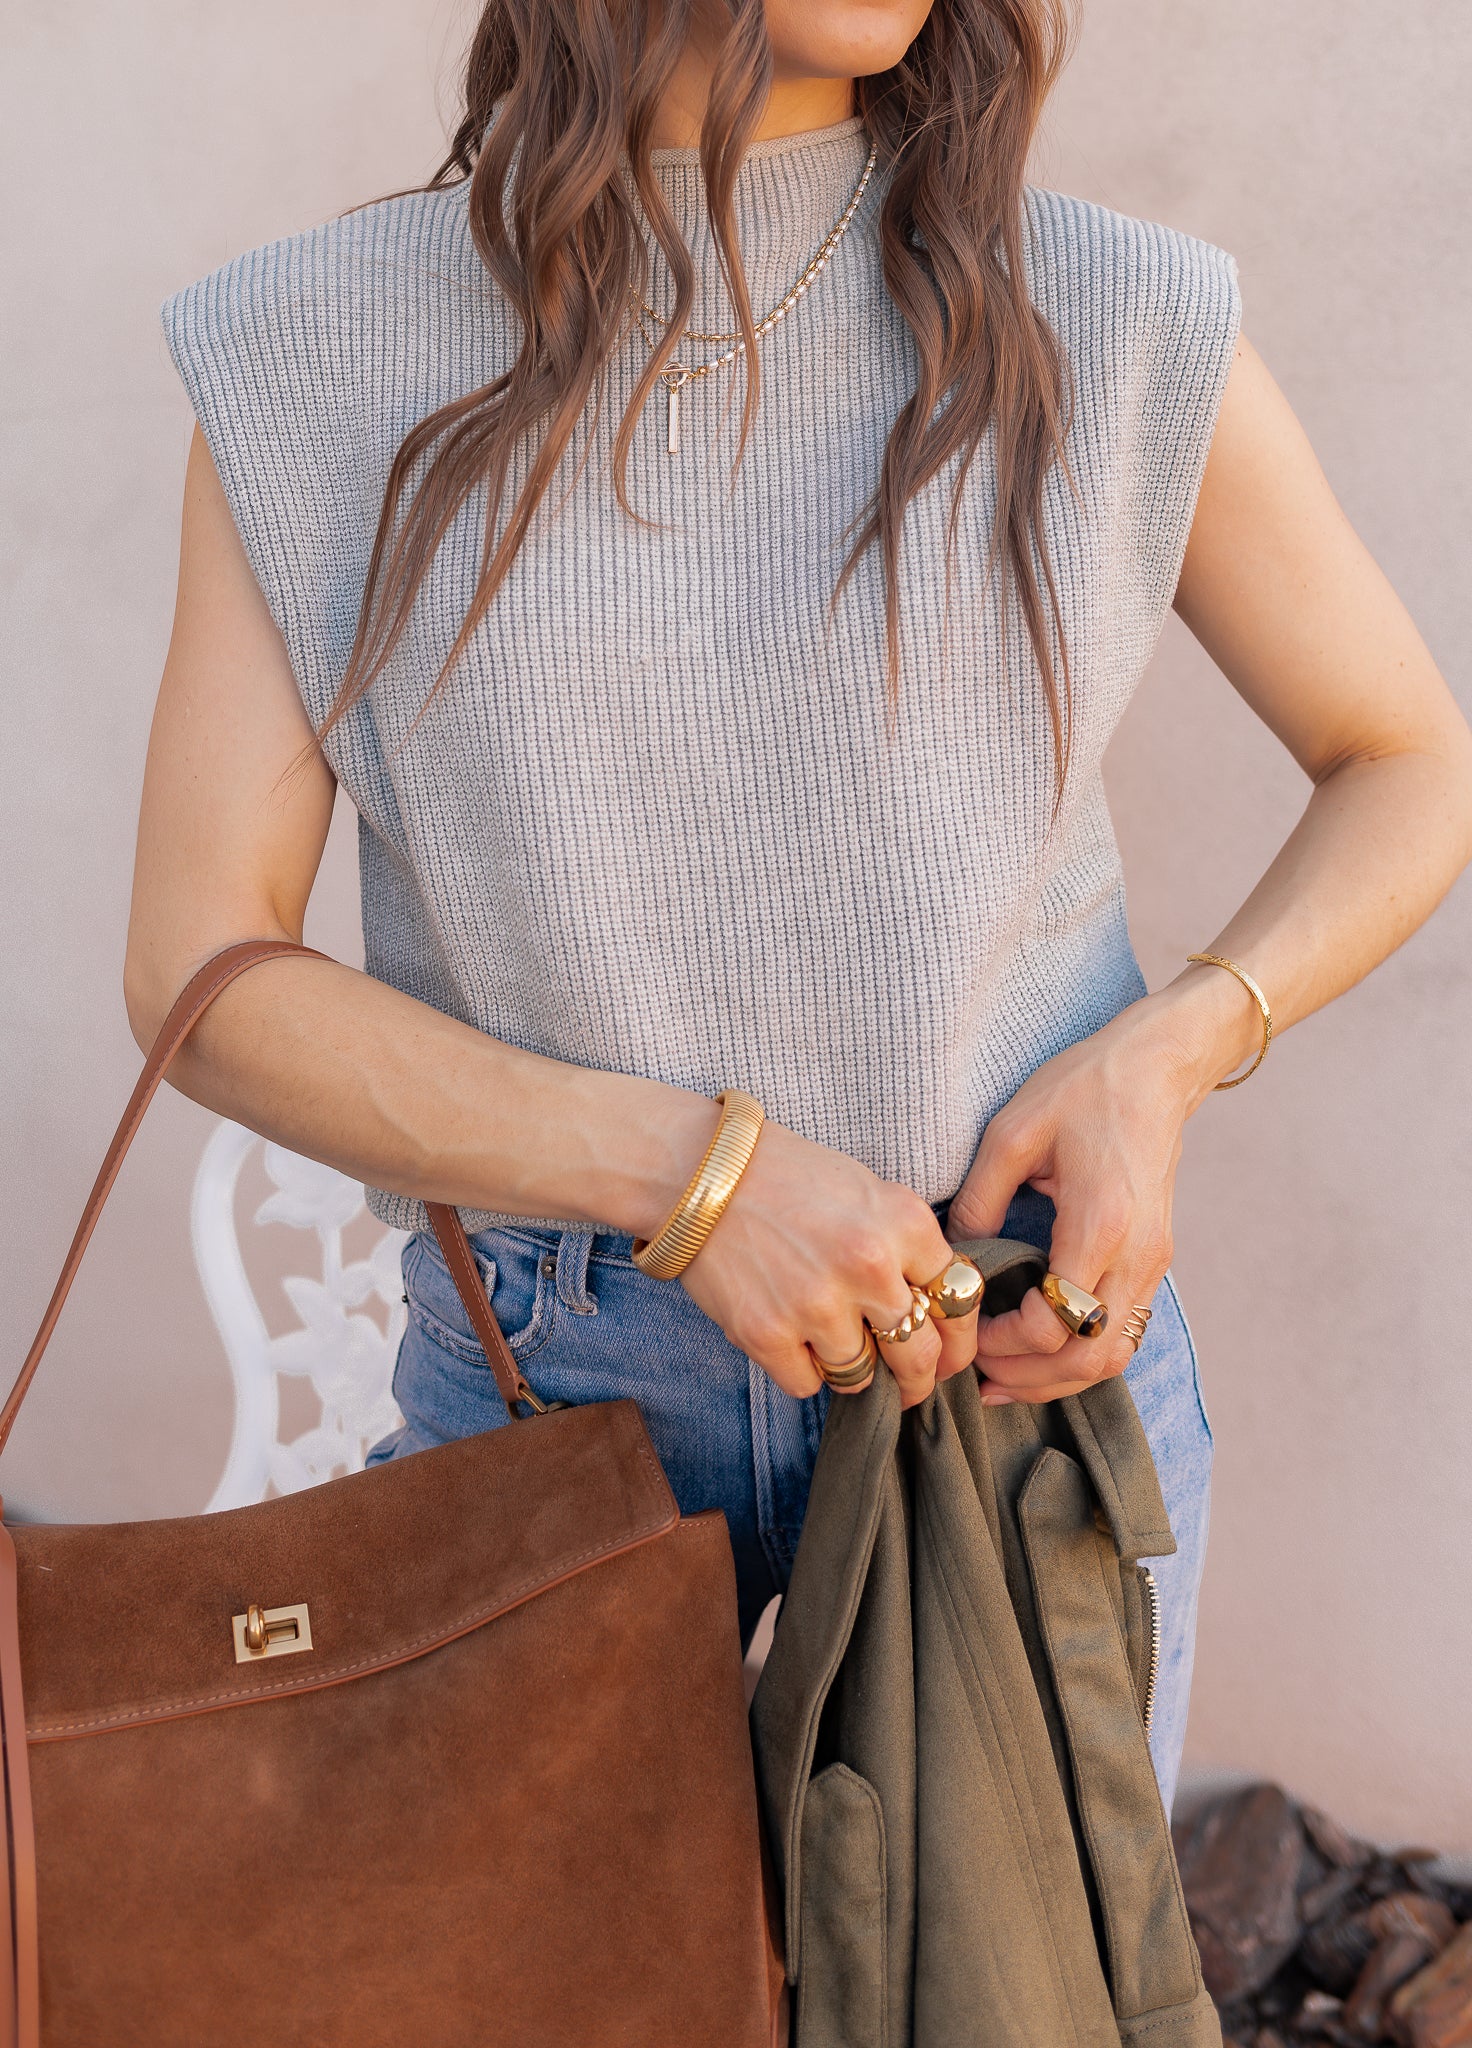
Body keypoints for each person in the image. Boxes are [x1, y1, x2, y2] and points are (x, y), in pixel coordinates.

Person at [126, 0, 1472, 1817]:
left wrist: (1171, 1053)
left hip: (1001, 1371)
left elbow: (1407, 759)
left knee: (1019, 1979)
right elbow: (204, 970)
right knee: (556, 1970)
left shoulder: (1113, 313)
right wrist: (697, 1179)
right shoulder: (312, 353)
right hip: (550, 1390)